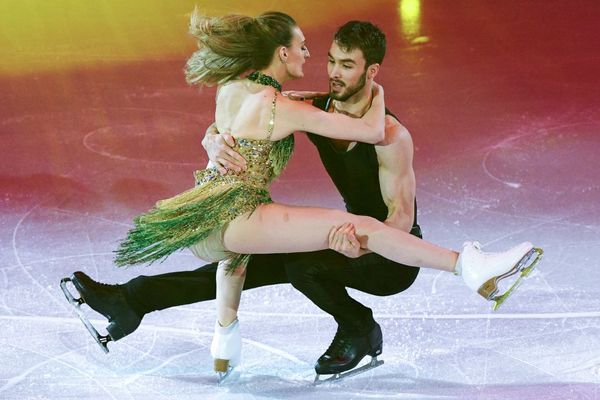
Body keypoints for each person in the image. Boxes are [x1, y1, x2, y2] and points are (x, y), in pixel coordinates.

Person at [62, 11, 542, 381]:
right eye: (329, 59)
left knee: (290, 259)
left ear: (371, 71)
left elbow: (398, 211)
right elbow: (262, 114)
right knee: (274, 261)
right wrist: (213, 138)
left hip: (390, 254)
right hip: (289, 225)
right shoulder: (313, 109)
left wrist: (360, 242)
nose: (331, 71)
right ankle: (135, 300)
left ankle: (343, 324)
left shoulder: (393, 136)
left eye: (346, 65)